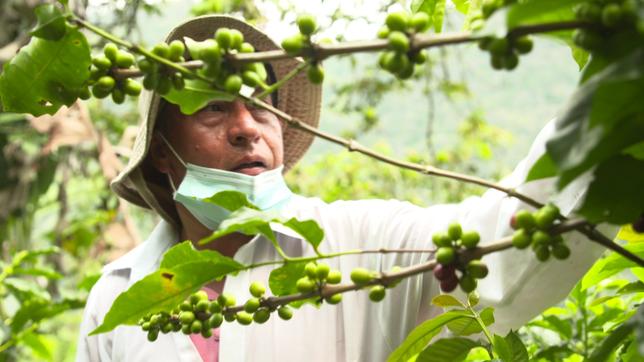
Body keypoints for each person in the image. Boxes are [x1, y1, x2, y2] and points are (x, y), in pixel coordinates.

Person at [76, 15, 615, 362]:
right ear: (163, 152)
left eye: (262, 103)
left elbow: (502, 245)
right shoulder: (114, 296)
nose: (246, 126)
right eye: (213, 106)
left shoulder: (362, 242)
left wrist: (616, 101)